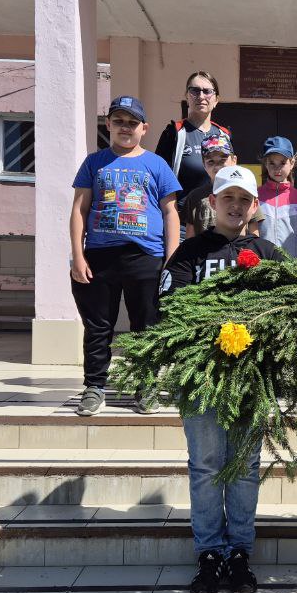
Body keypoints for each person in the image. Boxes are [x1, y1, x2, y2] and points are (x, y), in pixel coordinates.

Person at [159, 164, 281, 593]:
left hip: (251, 381)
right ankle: (210, 554)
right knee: (207, 467)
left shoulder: (268, 254)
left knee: (245, 468)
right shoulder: (191, 253)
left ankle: (240, 553)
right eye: (227, 197)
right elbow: (171, 305)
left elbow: (289, 312)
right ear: (212, 203)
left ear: (253, 207)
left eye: (243, 199)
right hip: (201, 380)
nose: (235, 205)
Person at [69, 95, 181, 417]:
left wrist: (170, 260)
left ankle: (144, 386)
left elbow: (170, 213)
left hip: (145, 257)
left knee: (145, 326)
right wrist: (78, 255)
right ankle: (94, 387)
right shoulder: (94, 162)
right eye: (119, 121)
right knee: (98, 326)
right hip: (99, 257)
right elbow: (79, 209)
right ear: (109, 125)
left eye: (132, 122)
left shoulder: (156, 164)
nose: (125, 128)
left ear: (143, 128)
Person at [152, 70, 230, 238]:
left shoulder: (224, 135)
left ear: (216, 100)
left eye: (207, 91)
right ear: (187, 96)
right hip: (179, 225)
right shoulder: (174, 133)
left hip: (216, 223)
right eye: (195, 90)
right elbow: (158, 182)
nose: (201, 95)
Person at [178, 134, 263, 239]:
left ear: (234, 160)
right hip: (204, 254)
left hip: (239, 253)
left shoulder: (247, 192)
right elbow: (190, 238)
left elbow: (254, 235)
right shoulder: (195, 196)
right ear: (204, 165)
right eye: (211, 162)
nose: (217, 166)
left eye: (222, 160)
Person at [256, 136, 297, 258]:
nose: (277, 168)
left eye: (283, 163)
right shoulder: (256, 195)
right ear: (265, 164)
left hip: (291, 266)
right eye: (272, 163)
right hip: (262, 265)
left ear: (292, 163)